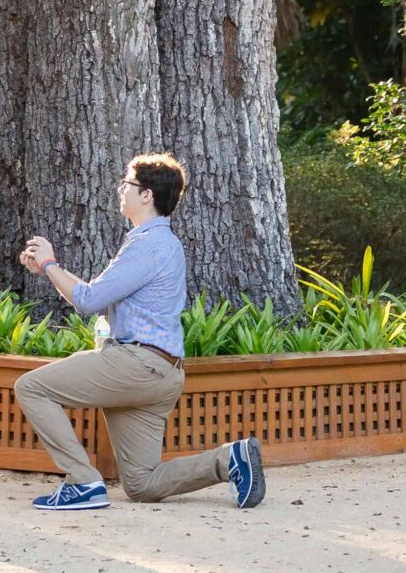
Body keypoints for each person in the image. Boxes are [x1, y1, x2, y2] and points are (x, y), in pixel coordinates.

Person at [15, 153, 266, 512]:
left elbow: (88, 299)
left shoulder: (146, 245)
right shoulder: (162, 243)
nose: (121, 189)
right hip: (163, 373)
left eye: (127, 184)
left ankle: (81, 482)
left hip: (137, 364)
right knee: (141, 484)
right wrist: (49, 269)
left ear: (146, 195)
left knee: (32, 387)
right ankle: (228, 460)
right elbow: (100, 302)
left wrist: (50, 263)